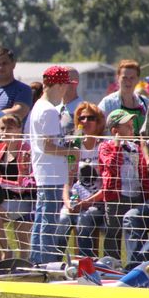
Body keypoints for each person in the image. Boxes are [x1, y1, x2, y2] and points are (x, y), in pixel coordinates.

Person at [87, 110, 149, 260]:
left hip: (135, 195)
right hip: (116, 196)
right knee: (113, 232)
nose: (132, 129)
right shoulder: (106, 146)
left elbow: (142, 171)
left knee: (135, 230)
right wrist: (117, 147)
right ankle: (111, 263)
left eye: (132, 126)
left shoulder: (135, 147)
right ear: (115, 130)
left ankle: (134, 262)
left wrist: (146, 193)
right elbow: (111, 165)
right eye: (127, 127)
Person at [27, 66, 76, 265]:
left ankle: (36, 260)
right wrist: (71, 151)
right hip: (50, 172)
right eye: (65, 85)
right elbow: (48, 145)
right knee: (48, 220)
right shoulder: (48, 110)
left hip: (45, 170)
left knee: (42, 218)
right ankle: (45, 263)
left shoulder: (40, 106)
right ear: (58, 85)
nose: (66, 90)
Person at [57, 103, 106, 258]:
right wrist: (67, 202)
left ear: (98, 122)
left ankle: (86, 265)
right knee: (63, 219)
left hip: (98, 201)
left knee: (84, 221)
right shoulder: (74, 146)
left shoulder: (104, 146)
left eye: (90, 118)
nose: (85, 121)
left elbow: (108, 185)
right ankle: (54, 261)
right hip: (75, 198)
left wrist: (87, 203)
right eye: (81, 118)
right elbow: (68, 179)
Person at [0, 114, 34, 261]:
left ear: (19, 130)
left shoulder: (26, 150)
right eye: (2, 128)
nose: (5, 131)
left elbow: (22, 186)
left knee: (23, 245)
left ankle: (10, 254)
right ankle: (2, 256)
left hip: (25, 200)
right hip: (6, 200)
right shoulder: (0, 149)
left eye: (10, 127)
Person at [97, 60, 149, 135]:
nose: (128, 81)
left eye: (132, 78)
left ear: (138, 79)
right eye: (124, 78)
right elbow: (98, 128)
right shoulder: (108, 103)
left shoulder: (145, 102)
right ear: (118, 78)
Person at [0, 47, 33, 124]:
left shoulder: (23, 89)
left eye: (4, 63)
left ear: (13, 64)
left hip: (11, 136)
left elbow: (18, 113)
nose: (1, 67)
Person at [58, 67, 83, 136]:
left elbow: (79, 140)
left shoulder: (83, 111)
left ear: (75, 83)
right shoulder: (54, 109)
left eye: (63, 81)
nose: (58, 85)